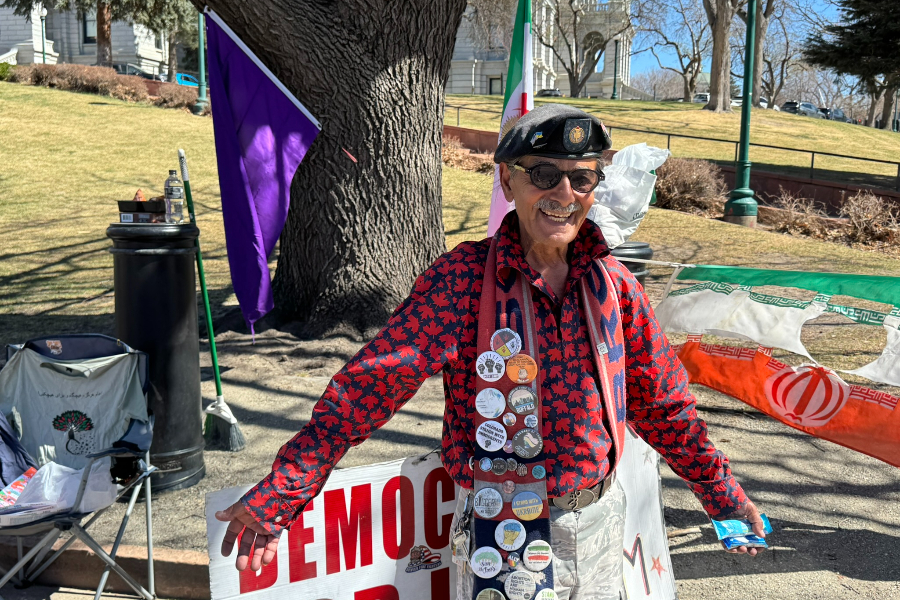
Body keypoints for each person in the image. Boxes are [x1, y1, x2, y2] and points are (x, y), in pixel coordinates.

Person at [215, 104, 767, 598]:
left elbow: (661, 404)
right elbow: (368, 388)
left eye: (582, 178)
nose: (564, 194)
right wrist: (284, 491)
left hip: (599, 521)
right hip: (498, 529)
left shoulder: (616, 286)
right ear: (507, 178)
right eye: (544, 174)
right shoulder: (462, 281)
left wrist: (722, 494)